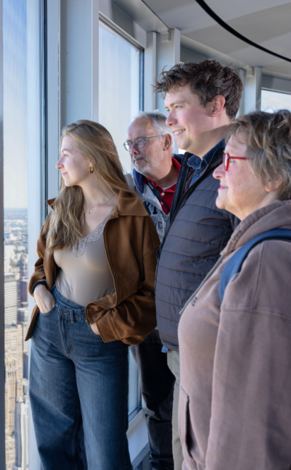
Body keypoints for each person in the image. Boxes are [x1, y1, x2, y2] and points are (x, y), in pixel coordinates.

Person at [26, 120, 160, 470]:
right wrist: (39, 287)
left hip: (100, 339)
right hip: (50, 333)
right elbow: (43, 261)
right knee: (53, 444)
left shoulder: (133, 214)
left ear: (91, 159)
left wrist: (107, 326)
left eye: (65, 155)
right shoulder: (62, 208)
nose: (58, 164)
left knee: (105, 452)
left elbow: (151, 293)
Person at [178, 109, 291, 469]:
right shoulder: (255, 244)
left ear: (272, 175)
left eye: (229, 159)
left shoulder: (265, 263)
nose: (217, 170)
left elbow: (251, 433)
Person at [152, 60, 242, 468]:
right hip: (186, 350)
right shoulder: (199, 165)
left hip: (212, 354)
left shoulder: (237, 170)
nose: (168, 119)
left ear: (215, 105)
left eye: (177, 106)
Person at [124, 111, 180, 470]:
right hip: (149, 317)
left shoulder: (202, 182)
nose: (133, 150)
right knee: (158, 402)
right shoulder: (126, 193)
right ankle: (162, 464)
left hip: (197, 313)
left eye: (141, 141)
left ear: (166, 141)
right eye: (129, 144)